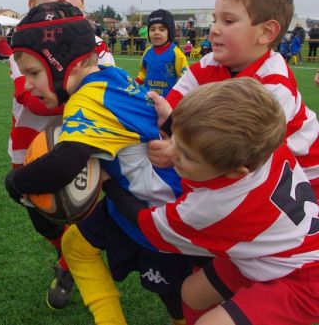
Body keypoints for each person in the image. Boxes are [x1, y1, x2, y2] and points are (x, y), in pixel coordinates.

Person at [6, 2, 190, 325]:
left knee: (179, 301)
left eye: (34, 73)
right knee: (76, 244)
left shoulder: (87, 100)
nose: (30, 84)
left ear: (62, 62)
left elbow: (64, 164)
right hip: (134, 198)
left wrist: (17, 184)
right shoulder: (112, 76)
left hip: (158, 210)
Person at [104, 78, 319, 325]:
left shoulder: (214, 207)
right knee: (192, 293)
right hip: (268, 254)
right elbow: (214, 141)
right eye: (176, 141)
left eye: (187, 155)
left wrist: (108, 183)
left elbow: (148, 226)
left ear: (236, 172)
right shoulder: (262, 145)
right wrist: (175, 122)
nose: (171, 151)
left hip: (302, 281)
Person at [148, 0, 319, 198]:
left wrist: (176, 150)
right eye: (214, 19)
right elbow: (169, 106)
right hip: (253, 172)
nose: (215, 29)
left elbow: (229, 151)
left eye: (228, 21)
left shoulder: (274, 87)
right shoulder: (210, 62)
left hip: (303, 183)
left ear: (266, 32)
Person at [7, 0, 115, 310]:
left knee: (81, 209)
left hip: (79, 151)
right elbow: (34, 100)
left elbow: (105, 96)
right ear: (32, 3)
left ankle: (71, 265)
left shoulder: (98, 50)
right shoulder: (23, 45)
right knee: (42, 216)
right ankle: (65, 250)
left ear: (83, 3)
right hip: (29, 149)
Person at [135, 9, 189, 97]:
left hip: (168, 102)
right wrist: (135, 83)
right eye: (152, 29)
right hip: (148, 99)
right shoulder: (147, 52)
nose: (156, 32)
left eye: (162, 29)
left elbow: (186, 78)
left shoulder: (176, 53)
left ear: (170, 32)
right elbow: (143, 73)